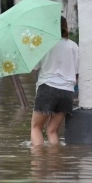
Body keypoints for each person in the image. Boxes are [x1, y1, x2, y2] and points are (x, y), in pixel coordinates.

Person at [31, 16, 79, 146]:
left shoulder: (43, 44)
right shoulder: (73, 46)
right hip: (67, 92)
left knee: (36, 128)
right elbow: (76, 71)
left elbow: (34, 67)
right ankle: (55, 163)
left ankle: (38, 165)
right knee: (52, 131)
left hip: (47, 88)